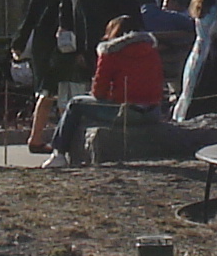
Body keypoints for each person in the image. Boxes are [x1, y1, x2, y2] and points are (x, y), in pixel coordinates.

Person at [47, 13, 178, 161]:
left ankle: (58, 153)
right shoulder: (152, 51)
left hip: (125, 111)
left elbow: (98, 92)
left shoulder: (111, 52)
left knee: (75, 104)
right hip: (152, 112)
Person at [14, 0, 85, 151]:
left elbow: (29, 20)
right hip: (62, 45)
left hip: (42, 46)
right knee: (66, 92)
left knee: (46, 93)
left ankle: (36, 138)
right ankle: (66, 138)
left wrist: (18, 43)